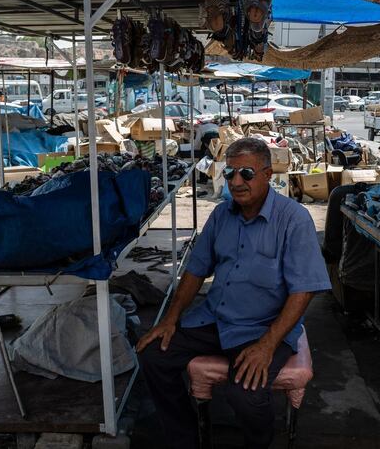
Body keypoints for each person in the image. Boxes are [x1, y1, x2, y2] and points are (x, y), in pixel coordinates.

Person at [137, 137, 331, 449]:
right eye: (230, 174)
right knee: (153, 355)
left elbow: (305, 289)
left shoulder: (294, 219)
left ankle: (260, 442)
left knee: (245, 394)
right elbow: (197, 270)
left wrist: (268, 345)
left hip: (263, 326)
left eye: (247, 174)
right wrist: (171, 319)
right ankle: (186, 438)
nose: (237, 182)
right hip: (216, 317)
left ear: (268, 175)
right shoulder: (220, 215)